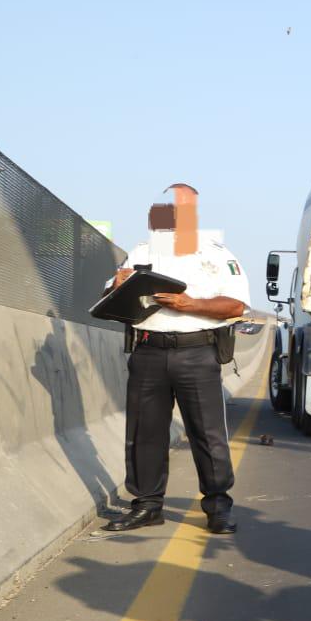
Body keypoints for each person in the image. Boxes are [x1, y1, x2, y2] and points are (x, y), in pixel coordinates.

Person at [107, 184, 249, 533]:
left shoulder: (215, 254)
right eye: (167, 206)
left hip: (196, 352)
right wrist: (117, 284)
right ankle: (147, 506)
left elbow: (235, 306)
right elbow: (113, 299)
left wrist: (191, 305)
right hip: (148, 351)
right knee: (144, 433)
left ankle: (218, 508)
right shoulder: (141, 252)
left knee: (207, 433)